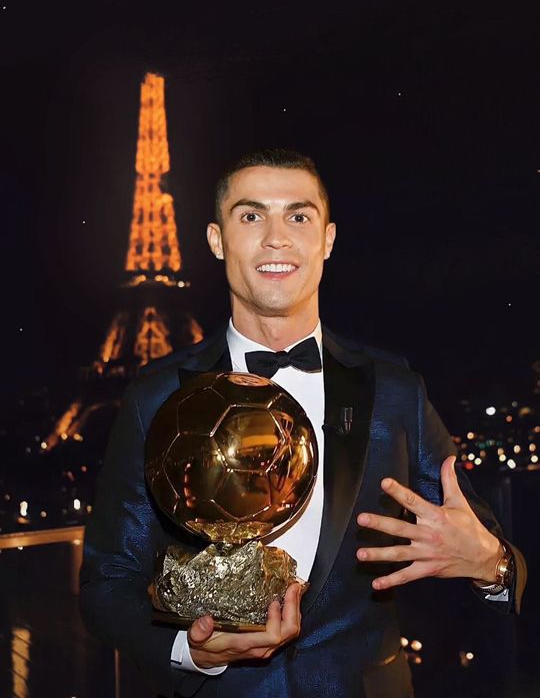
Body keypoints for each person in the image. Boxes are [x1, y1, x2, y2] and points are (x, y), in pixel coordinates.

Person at [79, 148, 527, 698]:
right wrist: (187, 650)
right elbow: (107, 582)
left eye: (298, 215)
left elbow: (480, 545)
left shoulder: (394, 391)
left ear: (328, 240)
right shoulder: (157, 398)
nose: (276, 237)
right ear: (217, 240)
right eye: (251, 215)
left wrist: (492, 565)